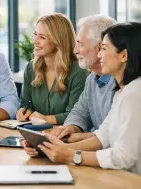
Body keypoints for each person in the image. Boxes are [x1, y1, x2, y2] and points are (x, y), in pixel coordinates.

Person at [35, 22, 141, 175]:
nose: (99, 55)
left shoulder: (134, 94)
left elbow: (123, 157)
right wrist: (50, 148)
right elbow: (103, 136)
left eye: (104, 49)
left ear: (124, 55)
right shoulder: (123, 92)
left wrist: (73, 156)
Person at [48, 15, 117, 143]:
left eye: (80, 44)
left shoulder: (124, 82)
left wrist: (80, 138)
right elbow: (80, 112)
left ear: (100, 46)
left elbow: (116, 134)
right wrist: (70, 128)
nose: (75, 51)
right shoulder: (92, 78)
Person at [16, 13, 88, 125]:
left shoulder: (79, 71)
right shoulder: (31, 68)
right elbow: (26, 104)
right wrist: (24, 111)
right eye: (35, 34)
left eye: (42, 37)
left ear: (58, 41)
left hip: (67, 137)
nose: (34, 41)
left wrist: (47, 119)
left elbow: (76, 115)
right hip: (36, 134)